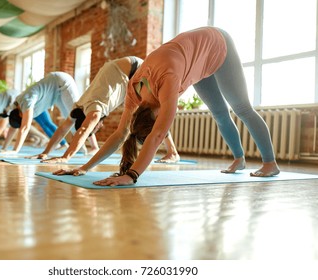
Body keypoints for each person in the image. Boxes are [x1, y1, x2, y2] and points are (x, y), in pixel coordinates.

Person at [53, 26, 280, 186]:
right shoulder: (134, 91)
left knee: (242, 108)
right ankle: (239, 160)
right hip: (196, 61)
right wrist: (85, 167)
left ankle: (270, 163)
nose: (168, 118)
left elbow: (158, 133)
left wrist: (131, 175)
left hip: (217, 44)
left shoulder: (167, 82)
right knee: (219, 114)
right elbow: (121, 133)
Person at [30, 56, 180, 164]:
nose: (99, 127)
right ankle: (172, 151)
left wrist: (65, 157)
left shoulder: (94, 109)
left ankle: (172, 152)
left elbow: (82, 130)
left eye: (95, 129)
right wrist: (45, 153)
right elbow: (63, 128)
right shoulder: (79, 105)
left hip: (134, 70)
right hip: (125, 66)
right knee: (148, 110)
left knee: (151, 110)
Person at [3, 71, 95, 154]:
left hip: (61, 81)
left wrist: (15, 150)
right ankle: (80, 145)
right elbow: (13, 126)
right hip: (55, 94)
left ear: (21, 114)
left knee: (78, 113)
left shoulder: (27, 101)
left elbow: (25, 127)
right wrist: (4, 148)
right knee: (70, 118)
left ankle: (94, 146)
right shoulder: (15, 108)